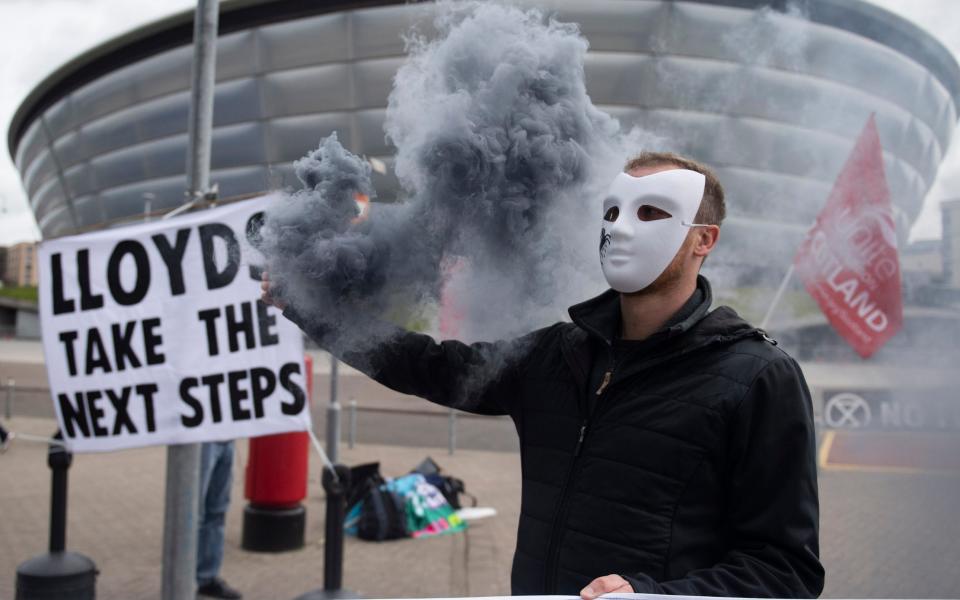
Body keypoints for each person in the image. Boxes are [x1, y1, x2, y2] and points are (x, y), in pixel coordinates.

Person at [263, 152, 824, 598]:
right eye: (611, 211)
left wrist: (655, 595)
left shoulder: (757, 378)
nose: (622, 228)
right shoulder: (560, 353)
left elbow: (784, 570)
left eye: (651, 212)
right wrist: (312, 309)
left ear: (704, 239)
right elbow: (431, 366)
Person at [196, 440, 242, 599]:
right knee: (192, 514)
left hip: (226, 440)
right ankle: (181, 579)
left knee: (217, 511)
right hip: (201, 442)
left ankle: (206, 578)